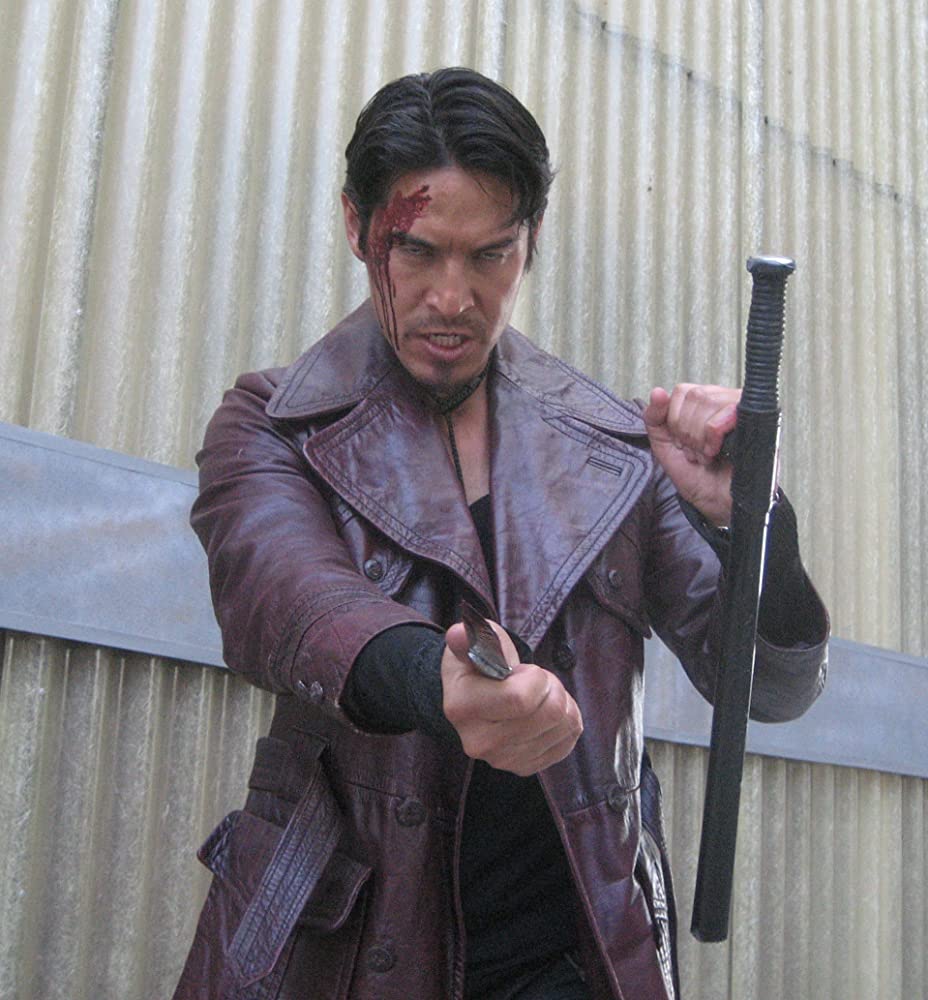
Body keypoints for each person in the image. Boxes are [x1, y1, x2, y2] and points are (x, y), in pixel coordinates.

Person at [173, 67, 828, 1000]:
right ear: (358, 226)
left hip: (574, 955)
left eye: (491, 255)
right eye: (418, 250)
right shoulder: (276, 425)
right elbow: (288, 600)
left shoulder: (610, 449)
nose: (453, 297)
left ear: (532, 241)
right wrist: (435, 682)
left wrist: (752, 518)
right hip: (344, 952)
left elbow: (765, 687)